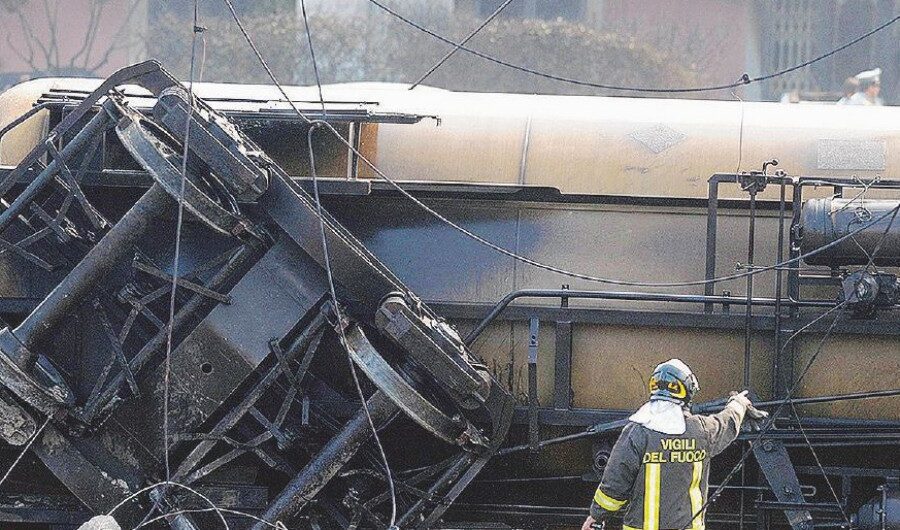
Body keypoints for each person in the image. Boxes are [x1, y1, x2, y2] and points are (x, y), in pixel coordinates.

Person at [581, 359, 769, 530]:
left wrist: (596, 516)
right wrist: (739, 404)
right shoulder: (701, 430)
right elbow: (727, 422)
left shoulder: (636, 432)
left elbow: (614, 485)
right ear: (687, 391)